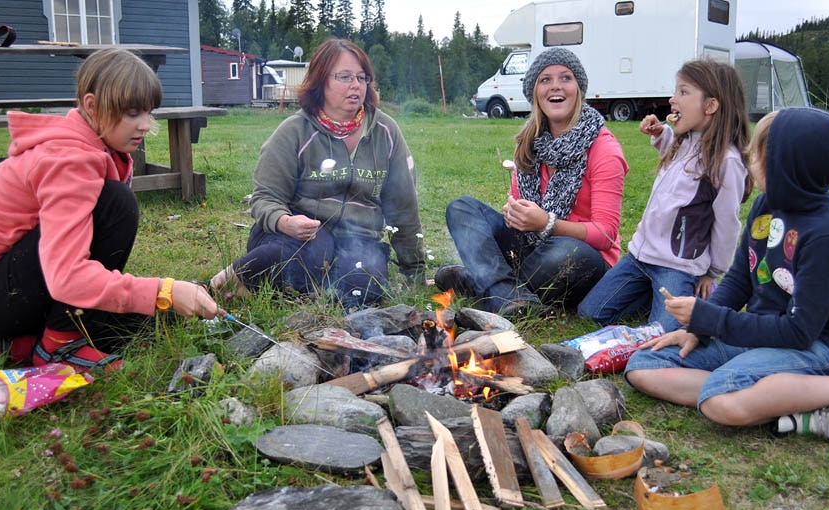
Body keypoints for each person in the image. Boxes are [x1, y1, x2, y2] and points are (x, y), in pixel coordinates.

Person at [624, 107, 829, 446]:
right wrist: (698, 327)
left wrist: (713, 320)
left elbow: (799, 331)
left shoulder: (827, 236)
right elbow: (739, 279)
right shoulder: (768, 204)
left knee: (719, 402)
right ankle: (784, 402)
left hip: (815, 348)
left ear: (788, 167)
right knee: (644, 365)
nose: (750, 162)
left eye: (760, 156)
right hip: (761, 334)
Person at [0, 48, 221, 372]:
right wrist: (164, 290)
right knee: (115, 204)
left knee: (145, 322)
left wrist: (154, 298)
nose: (145, 125)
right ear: (92, 106)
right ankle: (59, 345)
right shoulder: (69, 160)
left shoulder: (92, 147)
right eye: (132, 113)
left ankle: (15, 345)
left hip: (16, 283)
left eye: (148, 113)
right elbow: (67, 277)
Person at [210, 38, 426, 310]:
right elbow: (264, 197)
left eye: (361, 77)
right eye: (344, 77)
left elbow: (404, 208)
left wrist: (415, 272)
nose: (356, 85)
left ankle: (302, 291)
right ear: (321, 81)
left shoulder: (386, 132)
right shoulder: (294, 131)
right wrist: (285, 221)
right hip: (296, 237)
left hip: (358, 240)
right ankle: (227, 281)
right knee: (308, 254)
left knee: (364, 284)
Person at [435, 47, 628, 317]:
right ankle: (505, 294)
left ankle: (480, 282)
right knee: (462, 208)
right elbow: (519, 211)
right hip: (531, 247)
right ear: (534, 92)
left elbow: (606, 234)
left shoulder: (604, 148)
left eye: (566, 78)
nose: (555, 86)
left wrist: (546, 223)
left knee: (569, 253)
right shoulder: (530, 143)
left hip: (582, 257)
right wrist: (514, 214)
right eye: (545, 80)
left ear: (578, 89)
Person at [577, 60, 751, 332]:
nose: (673, 99)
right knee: (590, 313)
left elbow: (727, 223)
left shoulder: (725, 162)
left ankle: (685, 296)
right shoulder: (684, 141)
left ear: (710, 106)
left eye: (683, 92)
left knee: (663, 333)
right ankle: (650, 294)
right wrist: (661, 133)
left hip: (678, 267)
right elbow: (677, 164)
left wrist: (712, 272)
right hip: (640, 258)